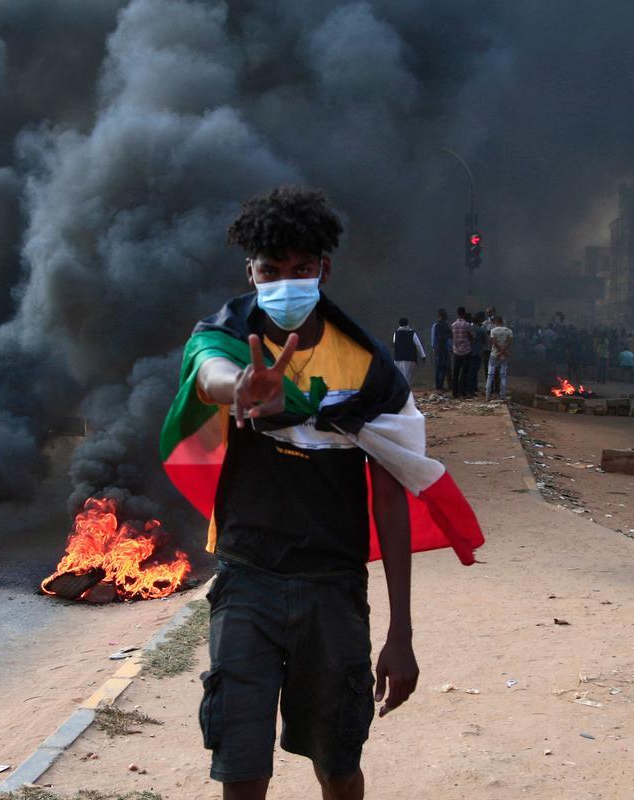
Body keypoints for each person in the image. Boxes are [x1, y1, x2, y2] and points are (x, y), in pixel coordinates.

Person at [176, 187, 421, 800]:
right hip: (247, 580)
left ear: (324, 269)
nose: (286, 282)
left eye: (300, 269)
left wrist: (401, 632)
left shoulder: (368, 369)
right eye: (271, 271)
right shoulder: (227, 337)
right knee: (242, 766)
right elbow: (209, 373)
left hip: (333, 589)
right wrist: (241, 388)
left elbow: (391, 499)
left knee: (338, 765)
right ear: (250, 273)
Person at [392, 317, 426, 388]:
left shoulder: (396, 333)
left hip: (398, 358)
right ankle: (406, 393)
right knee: (407, 377)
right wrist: (423, 356)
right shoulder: (412, 333)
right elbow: (418, 345)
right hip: (410, 358)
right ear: (407, 323)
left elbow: (394, 343)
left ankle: (401, 394)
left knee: (400, 377)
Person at [486, 316, 513, 400]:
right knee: (503, 376)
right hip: (504, 356)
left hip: (494, 355)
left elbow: (493, 342)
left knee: (490, 375)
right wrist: (503, 351)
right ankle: (503, 396)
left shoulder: (493, 331)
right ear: (502, 321)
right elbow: (509, 342)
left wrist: (499, 351)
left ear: (496, 322)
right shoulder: (509, 331)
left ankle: (488, 395)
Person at [451, 307, 473, 398]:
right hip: (466, 350)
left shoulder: (453, 325)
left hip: (456, 350)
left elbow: (453, 336)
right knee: (464, 372)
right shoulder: (467, 325)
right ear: (464, 314)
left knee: (455, 372)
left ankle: (454, 392)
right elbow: (471, 336)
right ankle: (463, 391)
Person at [430, 308, 452, 391]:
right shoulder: (437, 326)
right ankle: (439, 386)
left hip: (442, 349)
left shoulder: (442, 325)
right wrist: (435, 349)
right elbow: (435, 339)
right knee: (441, 368)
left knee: (443, 367)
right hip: (440, 349)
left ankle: (441, 385)